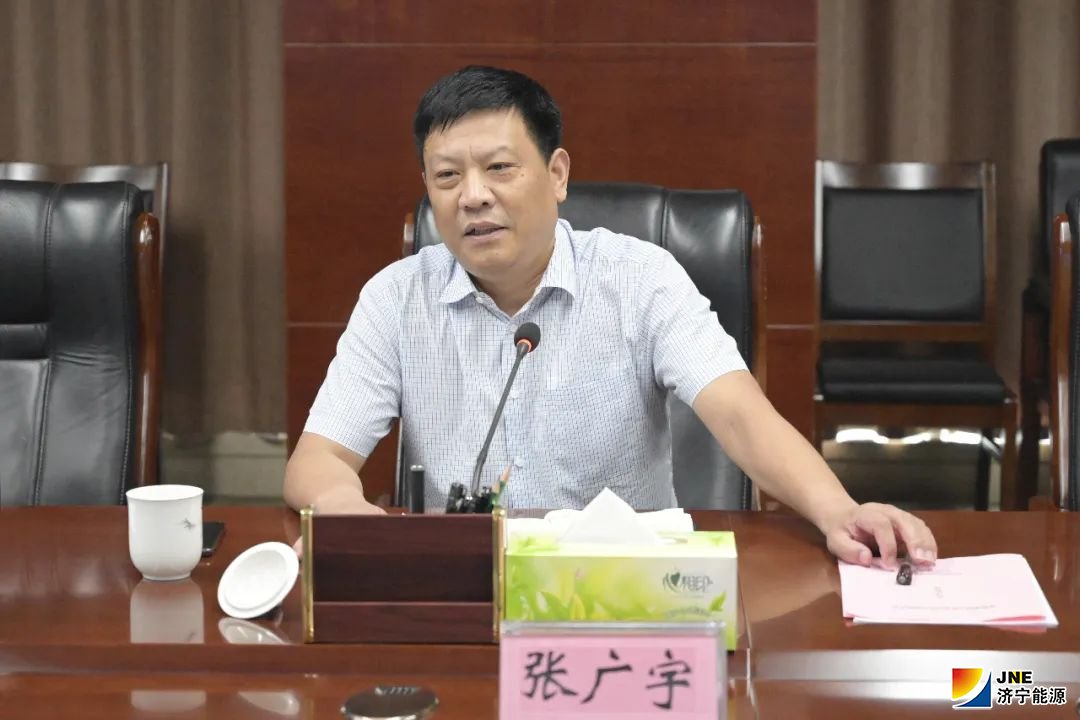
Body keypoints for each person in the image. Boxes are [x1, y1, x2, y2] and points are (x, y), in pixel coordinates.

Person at [284, 65, 938, 569]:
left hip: (624, 586)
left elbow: (741, 415)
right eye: (447, 177)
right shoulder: (397, 298)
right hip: (464, 584)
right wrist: (344, 510)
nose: (473, 196)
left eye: (499, 168)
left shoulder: (639, 278)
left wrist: (839, 510)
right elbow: (318, 458)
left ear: (557, 174)